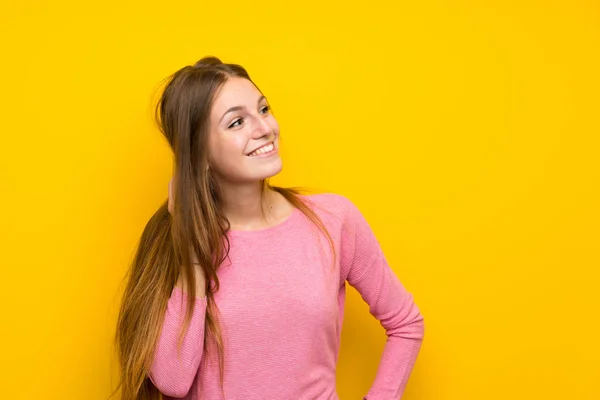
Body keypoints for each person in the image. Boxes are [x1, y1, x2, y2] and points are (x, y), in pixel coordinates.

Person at [113, 56, 424, 400]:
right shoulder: (174, 238)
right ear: (199, 154)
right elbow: (172, 381)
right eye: (236, 123)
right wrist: (193, 253)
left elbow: (406, 323)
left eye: (263, 109)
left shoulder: (334, 220)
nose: (264, 128)